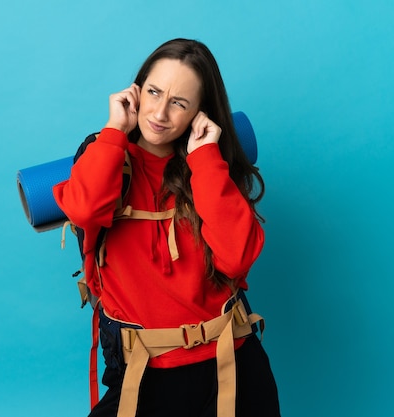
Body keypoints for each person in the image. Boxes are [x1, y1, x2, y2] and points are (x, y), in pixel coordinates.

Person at [53, 38, 280, 417]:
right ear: (136, 91)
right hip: (143, 373)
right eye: (154, 92)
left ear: (199, 113)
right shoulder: (104, 153)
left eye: (179, 103)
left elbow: (237, 258)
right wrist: (114, 129)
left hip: (231, 366)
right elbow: (84, 211)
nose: (159, 113)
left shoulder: (209, 163)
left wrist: (206, 158)